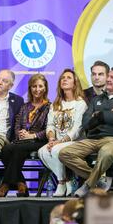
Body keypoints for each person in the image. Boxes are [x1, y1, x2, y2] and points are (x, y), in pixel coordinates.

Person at [59, 66, 113, 197]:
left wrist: (98, 115)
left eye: (112, 78)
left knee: (106, 152)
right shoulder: (97, 99)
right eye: (108, 76)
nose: (108, 80)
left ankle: (88, 185)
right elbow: (86, 123)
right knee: (65, 153)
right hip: (93, 139)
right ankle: (99, 180)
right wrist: (106, 114)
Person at [0, 74, 50, 197]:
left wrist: (32, 135)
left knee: (13, 149)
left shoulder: (49, 107)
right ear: (30, 88)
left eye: (40, 86)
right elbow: (17, 124)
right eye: (34, 86)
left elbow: (49, 129)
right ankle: (21, 184)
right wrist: (20, 134)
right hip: (22, 141)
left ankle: (5, 184)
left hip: (39, 141)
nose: (37, 89)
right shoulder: (25, 106)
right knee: (7, 149)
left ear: (45, 88)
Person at [38, 69, 87, 197]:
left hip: (75, 141)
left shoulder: (80, 103)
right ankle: (67, 181)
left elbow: (77, 129)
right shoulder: (55, 104)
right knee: (42, 152)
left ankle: (60, 183)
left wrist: (59, 142)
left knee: (55, 150)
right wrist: (51, 139)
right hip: (57, 141)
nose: (64, 79)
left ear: (75, 83)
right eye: (62, 78)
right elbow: (50, 125)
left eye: (68, 77)